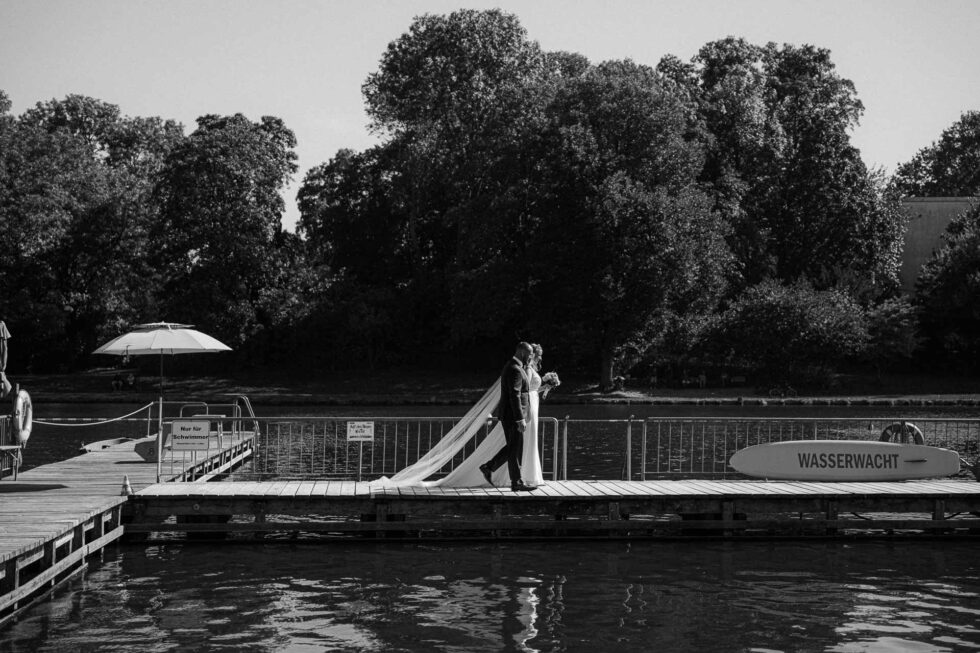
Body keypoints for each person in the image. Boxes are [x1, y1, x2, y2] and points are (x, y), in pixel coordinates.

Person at [480, 342, 535, 491]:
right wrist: (520, 419)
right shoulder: (514, 369)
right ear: (522, 352)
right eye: (530, 354)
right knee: (515, 448)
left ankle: (490, 467)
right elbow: (514, 395)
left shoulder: (514, 367)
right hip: (512, 417)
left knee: (513, 447)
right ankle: (516, 482)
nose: (531, 357)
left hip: (510, 416)